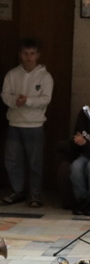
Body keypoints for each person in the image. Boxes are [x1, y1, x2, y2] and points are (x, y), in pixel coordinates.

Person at [1, 39, 54, 208]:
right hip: (15, 122)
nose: (29, 57)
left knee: (35, 162)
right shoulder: (12, 74)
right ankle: (17, 191)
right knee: (12, 160)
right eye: (25, 53)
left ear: (38, 55)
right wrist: (14, 101)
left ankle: (35, 194)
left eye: (32, 53)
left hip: (34, 125)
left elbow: (46, 99)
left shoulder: (45, 76)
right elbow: (5, 94)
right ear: (20, 55)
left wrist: (28, 101)